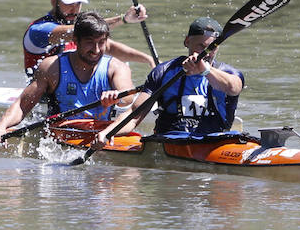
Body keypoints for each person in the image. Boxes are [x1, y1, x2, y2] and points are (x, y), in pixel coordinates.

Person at [0, 12, 144, 145]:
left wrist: (117, 97)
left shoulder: (117, 68)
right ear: (75, 41)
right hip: (60, 138)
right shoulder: (52, 67)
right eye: (90, 43)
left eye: (101, 43)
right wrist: (2, 126)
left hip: (100, 135)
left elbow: (128, 97)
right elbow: (22, 105)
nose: (96, 50)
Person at [93, 16, 245, 148]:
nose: (206, 53)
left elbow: (234, 88)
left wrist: (206, 71)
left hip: (214, 143)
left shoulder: (229, 73)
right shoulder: (163, 72)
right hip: (170, 142)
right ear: (187, 41)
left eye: (212, 48)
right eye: (201, 46)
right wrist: (107, 133)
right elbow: (134, 115)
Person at [23, 0, 154, 73]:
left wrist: (148, 59)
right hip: (45, 94)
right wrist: (123, 19)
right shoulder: (39, 30)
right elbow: (79, 31)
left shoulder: (80, 27)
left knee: (120, 64)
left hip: (72, 87)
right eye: (68, 3)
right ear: (53, 1)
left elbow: (110, 48)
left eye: (78, 4)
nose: (74, 9)